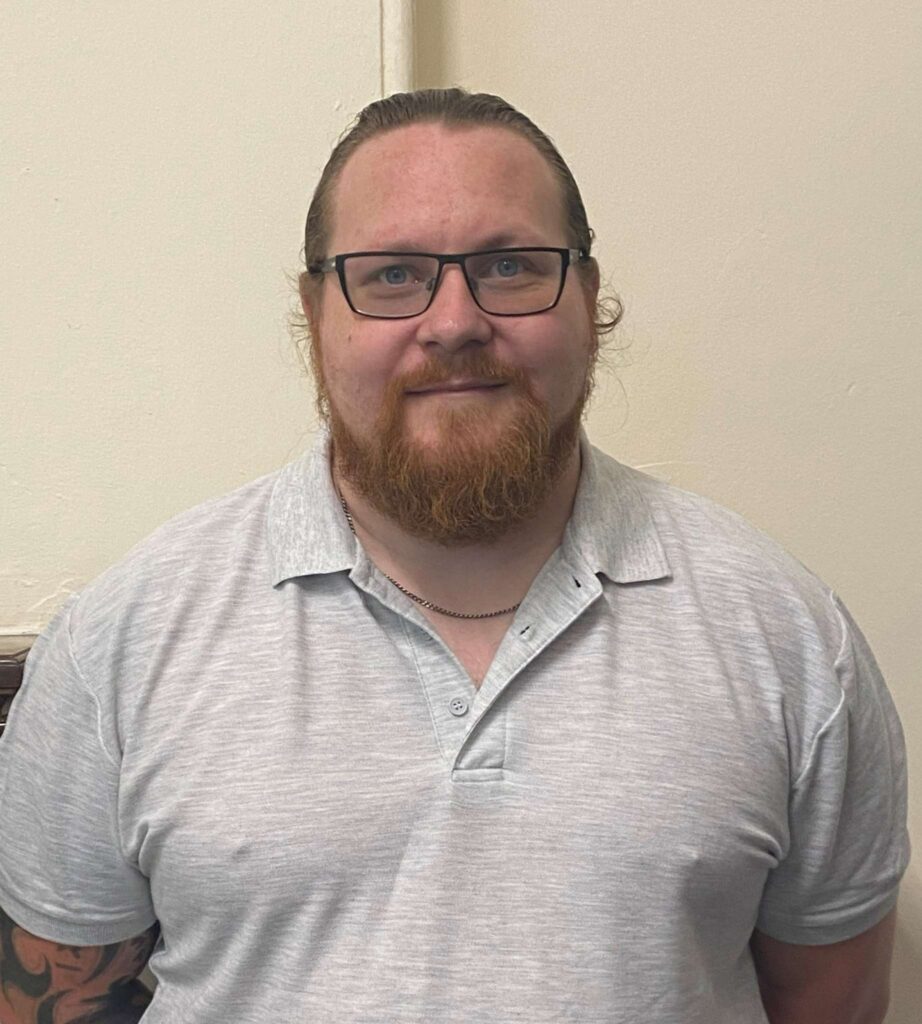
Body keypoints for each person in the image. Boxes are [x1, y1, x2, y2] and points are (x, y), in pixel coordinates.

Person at [0, 88, 910, 1024]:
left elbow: (828, 1002)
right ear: (314, 314)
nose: (453, 322)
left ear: (589, 299)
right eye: (392, 274)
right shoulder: (125, 639)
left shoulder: (788, 636)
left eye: (509, 266)